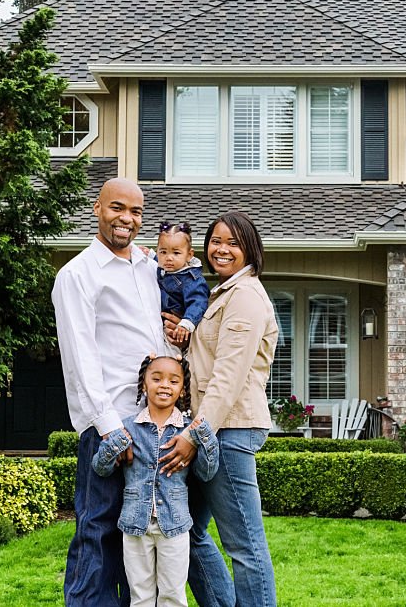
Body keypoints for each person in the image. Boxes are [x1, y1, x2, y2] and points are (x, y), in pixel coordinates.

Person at [52, 178, 174, 606]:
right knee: (97, 530)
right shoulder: (77, 275)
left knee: (136, 536)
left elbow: (154, 342)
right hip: (109, 423)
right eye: (117, 208)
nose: (127, 219)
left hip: (150, 424)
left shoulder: (146, 265)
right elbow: (81, 357)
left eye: (137, 211)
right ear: (97, 208)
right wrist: (109, 429)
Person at [160, 210, 279, 607]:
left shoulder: (244, 296)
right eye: (216, 241)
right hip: (212, 429)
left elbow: (229, 374)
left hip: (227, 431)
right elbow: (210, 361)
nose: (222, 249)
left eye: (233, 242)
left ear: (250, 249)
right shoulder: (222, 294)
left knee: (244, 544)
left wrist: (196, 433)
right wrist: (181, 339)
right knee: (186, 531)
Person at [92, 355, 219, 607]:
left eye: (173, 381)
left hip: (174, 526)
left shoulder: (187, 431)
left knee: (173, 595)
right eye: (157, 378)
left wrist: (204, 435)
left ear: (182, 389)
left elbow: (206, 473)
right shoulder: (127, 426)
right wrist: (116, 442)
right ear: (143, 385)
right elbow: (101, 467)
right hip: (135, 525)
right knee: (140, 596)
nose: (164, 385)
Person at [156, 221, 210, 346]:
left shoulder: (192, 280)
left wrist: (186, 323)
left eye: (176, 253)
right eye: (163, 252)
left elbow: (198, 303)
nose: (168, 258)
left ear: (189, 255)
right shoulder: (165, 267)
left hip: (178, 330)